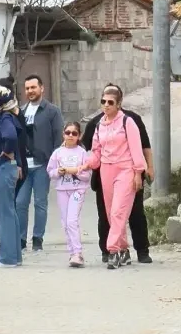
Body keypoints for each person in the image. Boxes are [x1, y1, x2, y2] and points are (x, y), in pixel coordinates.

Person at [82, 83, 154, 264]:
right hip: (106, 170)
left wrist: (140, 172)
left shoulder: (128, 121)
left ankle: (113, 249)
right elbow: (95, 151)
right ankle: (123, 249)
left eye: (110, 102)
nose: (106, 105)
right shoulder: (98, 125)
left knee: (118, 212)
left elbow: (138, 148)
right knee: (109, 213)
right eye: (103, 101)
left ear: (119, 104)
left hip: (126, 169)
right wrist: (85, 163)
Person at [0, 78, 28, 261]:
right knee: (8, 211)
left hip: (4, 168)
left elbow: (11, 137)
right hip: (2, 168)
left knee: (3, 213)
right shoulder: (1, 117)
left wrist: (7, 152)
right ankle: (12, 254)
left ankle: (7, 257)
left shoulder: (6, 118)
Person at [16, 74, 63, 251]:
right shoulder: (20, 111)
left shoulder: (52, 111)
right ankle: (20, 239)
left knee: (40, 202)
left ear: (41, 88)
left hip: (43, 164)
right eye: (27, 88)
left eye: (33, 87)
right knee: (20, 202)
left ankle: (37, 238)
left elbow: (58, 138)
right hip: (24, 166)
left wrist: (55, 162)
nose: (30, 91)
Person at [46, 122, 91, 267]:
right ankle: (72, 253)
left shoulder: (82, 153)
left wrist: (74, 171)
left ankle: (78, 253)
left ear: (79, 136)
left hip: (77, 190)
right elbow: (50, 171)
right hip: (62, 189)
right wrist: (57, 172)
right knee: (65, 222)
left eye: (74, 133)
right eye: (68, 133)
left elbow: (87, 174)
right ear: (63, 134)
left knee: (72, 220)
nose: (70, 136)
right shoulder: (57, 153)